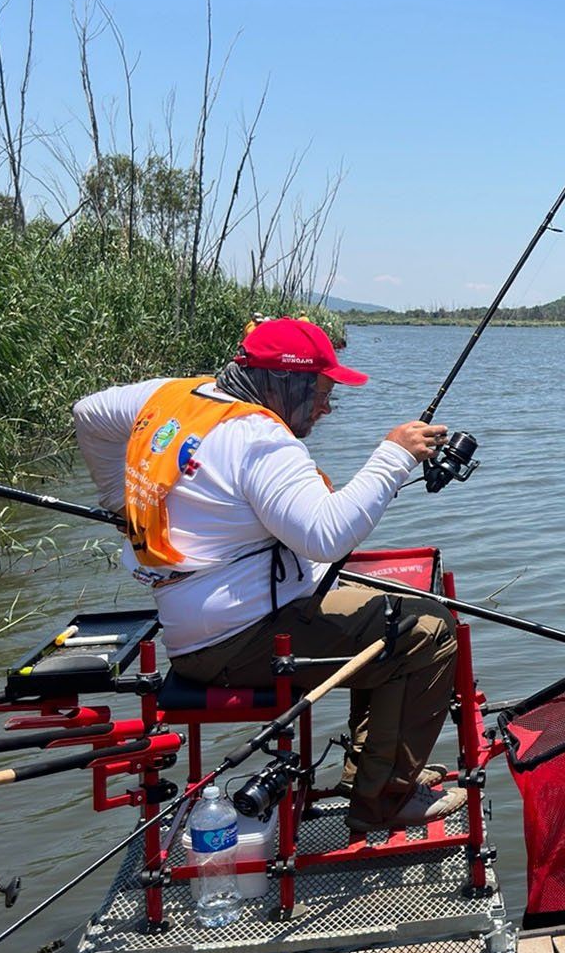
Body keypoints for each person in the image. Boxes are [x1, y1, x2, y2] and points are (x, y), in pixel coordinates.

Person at [73, 317, 458, 834]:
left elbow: (89, 412)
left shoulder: (176, 398)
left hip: (193, 633)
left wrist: (118, 500)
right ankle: (384, 801)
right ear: (288, 382)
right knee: (429, 631)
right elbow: (326, 535)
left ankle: (367, 771)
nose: (326, 406)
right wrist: (394, 455)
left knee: (383, 607)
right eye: (322, 392)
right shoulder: (260, 441)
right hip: (244, 640)